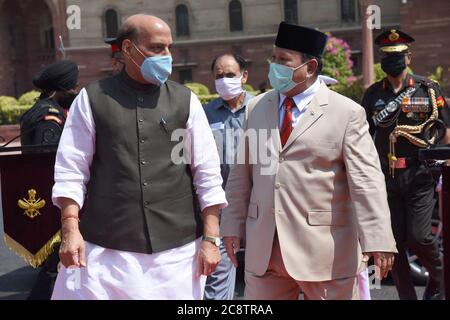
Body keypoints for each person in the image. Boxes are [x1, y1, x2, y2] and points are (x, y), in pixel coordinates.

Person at [51, 14, 227, 300]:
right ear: (129, 50)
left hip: (177, 252)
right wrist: (70, 229)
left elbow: (206, 173)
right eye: (157, 48)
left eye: (169, 47)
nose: (167, 56)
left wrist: (210, 238)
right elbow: (71, 169)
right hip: (106, 250)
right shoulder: (92, 98)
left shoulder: (185, 100)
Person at [221, 22, 397, 300]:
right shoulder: (256, 108)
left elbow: (366, 181)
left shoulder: (346, 113)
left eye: (283, 60)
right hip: (266, 251)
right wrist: (231, 226)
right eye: (274, 58)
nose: (274, 66)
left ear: (311, 67)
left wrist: (379, 238)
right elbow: (241, 175)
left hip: (325, 253)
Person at [361, 29, 450, 300]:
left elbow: (445, 130)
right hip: (385, 178)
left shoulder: (428, 89)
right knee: (394, 244)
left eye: (398, 55)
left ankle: (441, 278)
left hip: (419, 174)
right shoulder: (373, 94)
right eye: (387, 56)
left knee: (419, 236)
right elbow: (362, 135)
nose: (393, 60)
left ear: (408, 57)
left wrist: (445, 162)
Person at [203, 53, 254, 300]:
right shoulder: (204, 114)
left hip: (258, 207)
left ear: (244, 76)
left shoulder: (261, 108)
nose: (224, 80)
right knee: (217, 283)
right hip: (221, 210)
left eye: (230, 75)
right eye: (219, 76)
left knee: (263, 280)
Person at [20, 60, 79, 148]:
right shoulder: (49, 119)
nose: (75, 93)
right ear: (61, 89)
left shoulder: (39, 109)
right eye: (73, 88)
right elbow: (47, 158)